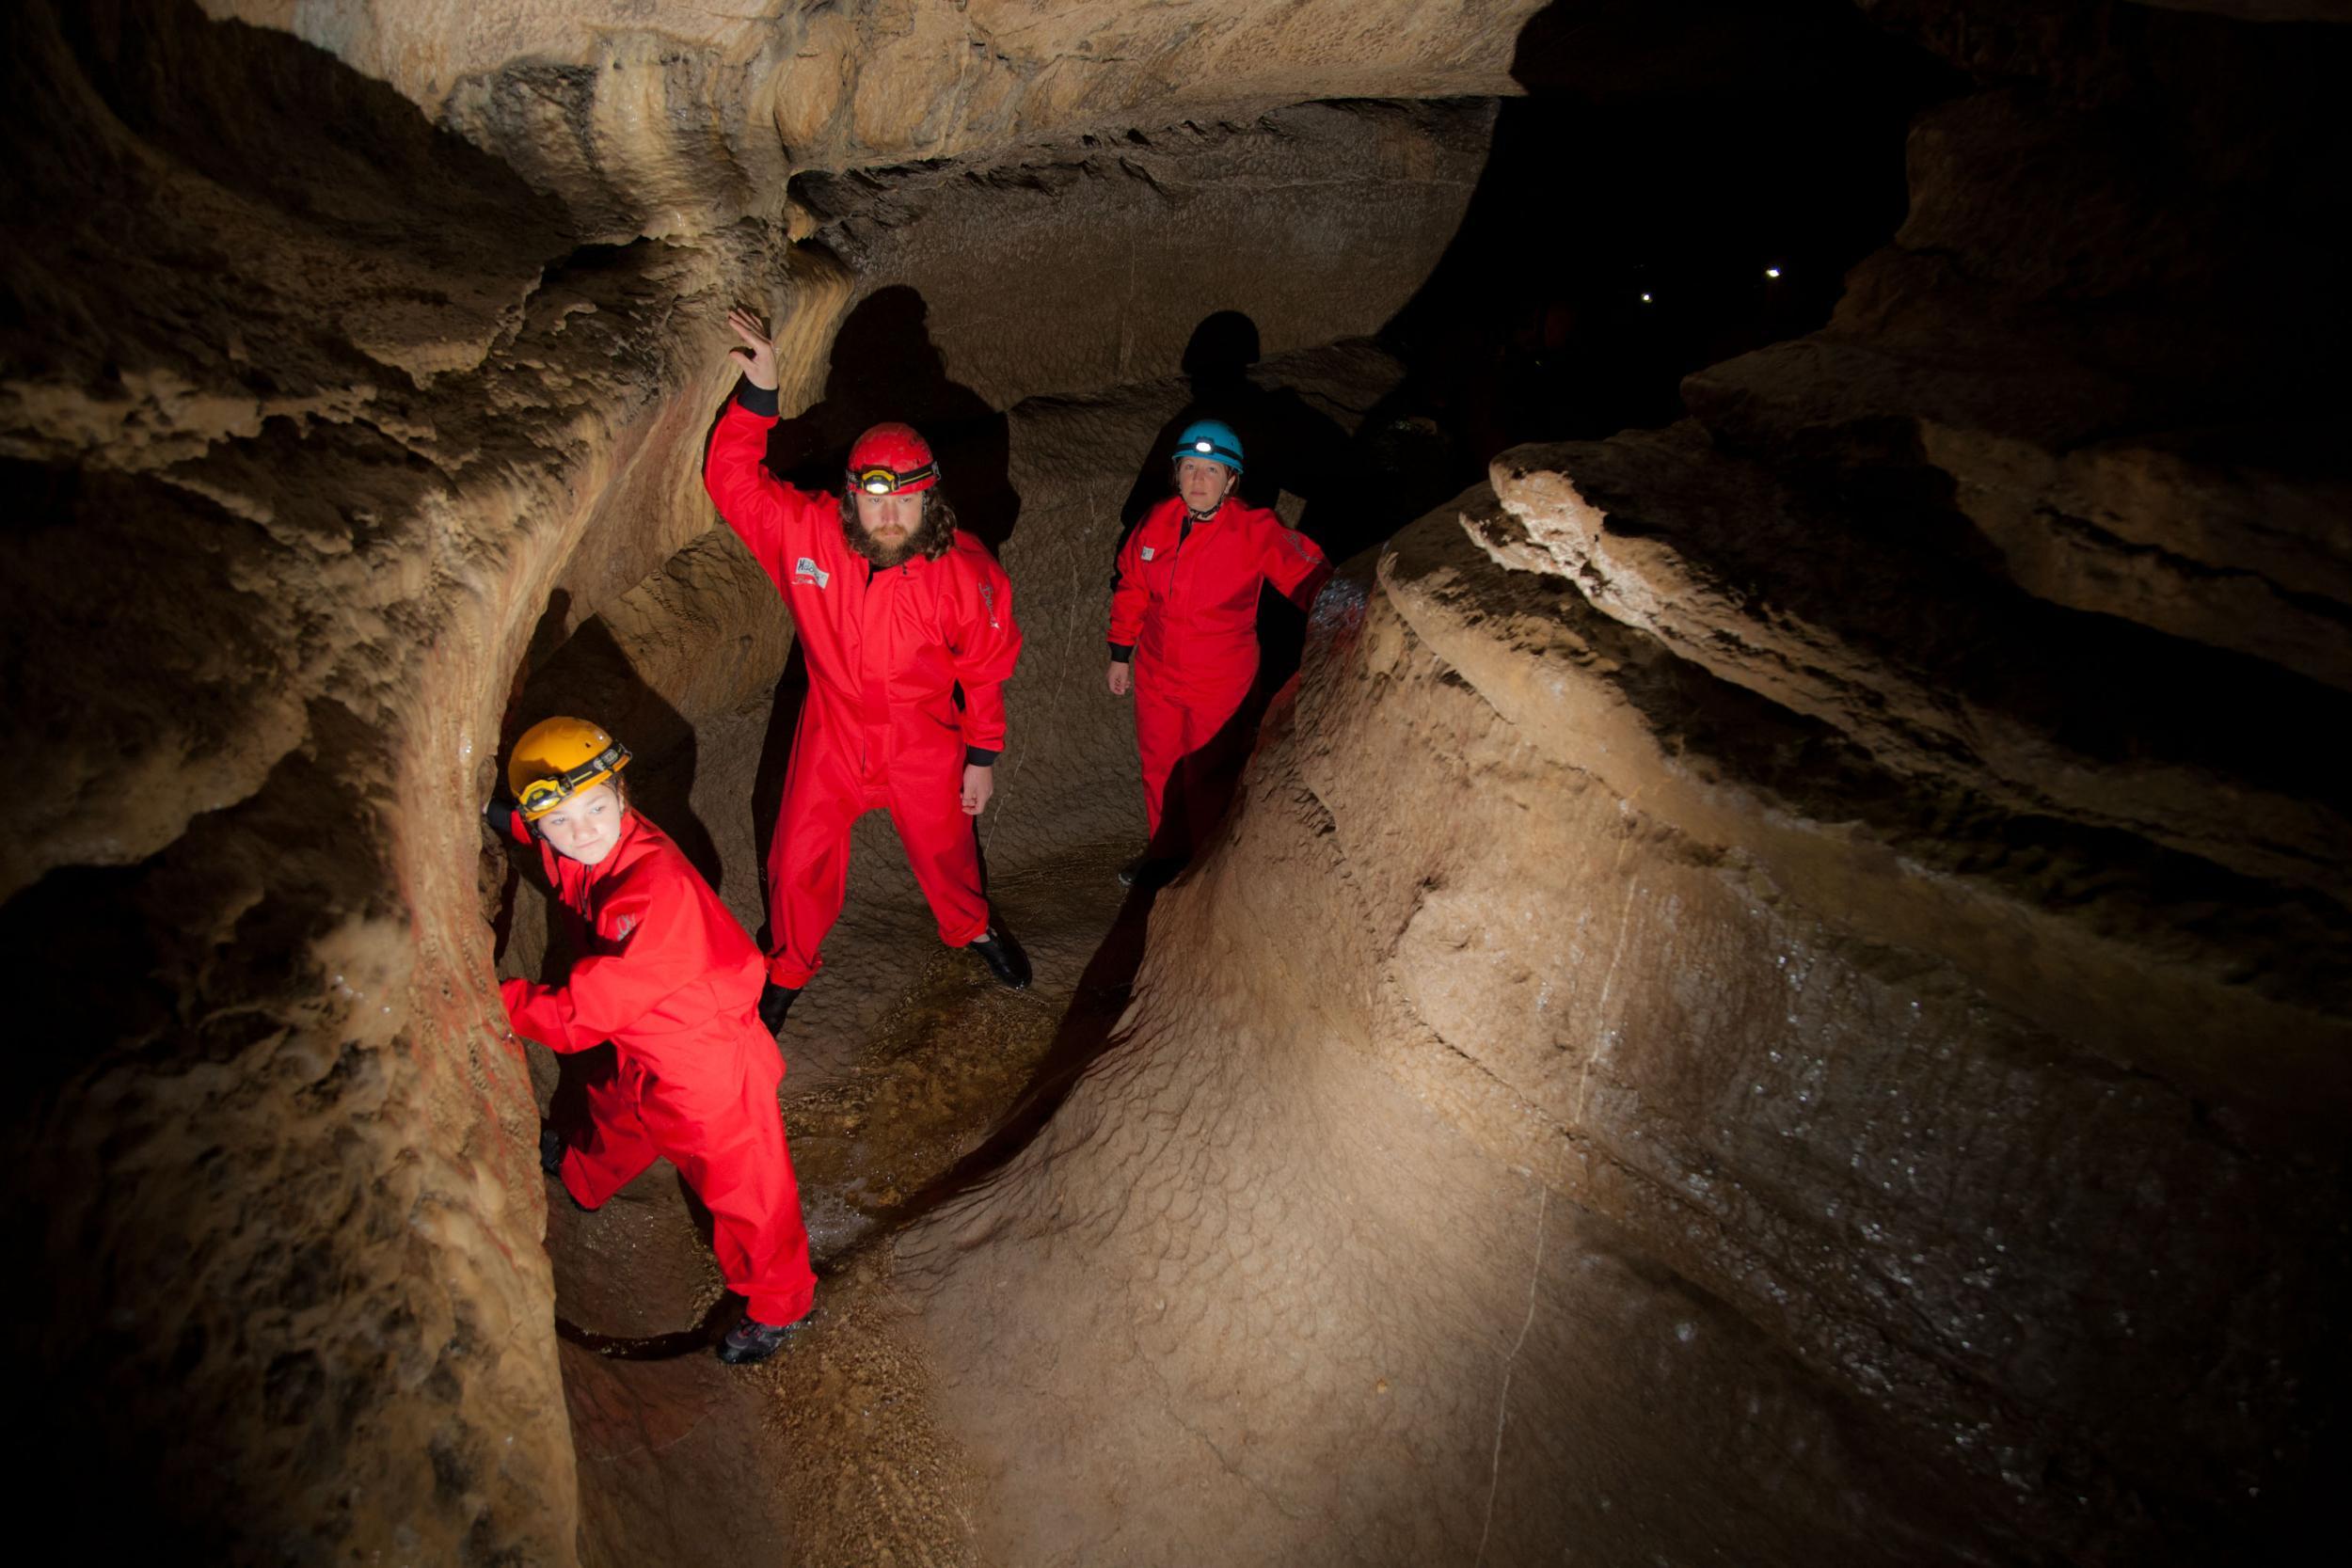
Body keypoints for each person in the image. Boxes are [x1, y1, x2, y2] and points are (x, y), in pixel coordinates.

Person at [706, 307, 1030, 1034]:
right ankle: (788, 968)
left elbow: (984, 666)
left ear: (929, 496)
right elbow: (733, 482)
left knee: (947, 846)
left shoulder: (964, 571)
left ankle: (971, 927)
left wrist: (982, 754)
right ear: (852, 494)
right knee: (798, 858)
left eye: (904, 499)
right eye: (873, 499)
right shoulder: (810, 533)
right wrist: (760, 393)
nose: (888, 516)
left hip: (923, 737)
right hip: (833, 733)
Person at [495, 717, 817, 1365]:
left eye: (596, 808)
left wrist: (493, 1000)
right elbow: (552, 838)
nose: (584, 830)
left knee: (746, 1190)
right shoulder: (598, 842)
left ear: (623, 796)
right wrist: (505, 815)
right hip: (647, 1037)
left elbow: (577, 1016)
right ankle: (586, 1176)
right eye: (562, 820)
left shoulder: (656, 896)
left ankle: (781, 1305)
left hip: (709, 1061)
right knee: (622, 1108)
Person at [1106, 420, 1330, 879]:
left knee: (1209, 776)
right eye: (1190, 467)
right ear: (1177, 473)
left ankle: (1208, 870)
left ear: (1231, 480)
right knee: (1160, 768)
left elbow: (1312, 578)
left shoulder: (1254, 530)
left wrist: (1347, 616)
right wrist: (1120, 652)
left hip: (1220, 681)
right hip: (1156, 672)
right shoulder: (1156, 522)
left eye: (1212, 470)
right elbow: (1132, 587)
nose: (1198, 480)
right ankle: (1165, 855)